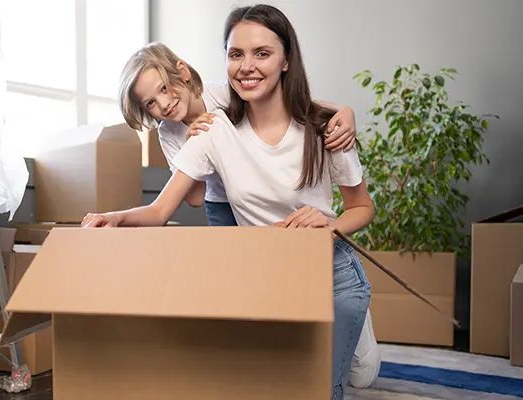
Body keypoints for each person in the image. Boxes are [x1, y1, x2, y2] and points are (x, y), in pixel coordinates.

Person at [89, 5, 375, 398]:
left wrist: (327, 223)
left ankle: (356, 332)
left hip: (330, 270)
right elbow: (165, 207)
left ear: (286, 59)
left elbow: (362, 206)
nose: (247, 66)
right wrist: (113, 218)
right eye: (235, 54)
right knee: (265, 379)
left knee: (335, 385)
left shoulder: (321, 128)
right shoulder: (204, 132)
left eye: (262, 53)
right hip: (245, 232)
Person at [118, 42, 357, 227]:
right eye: (151, 103)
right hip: (220, 204)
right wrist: (193, 147)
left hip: (257, 194)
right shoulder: (169, 133)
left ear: (182, 72)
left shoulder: (222, 96)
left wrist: (344, 111)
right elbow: (195, 198)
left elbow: (292, 106)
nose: (164, 104)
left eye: (164, 88)